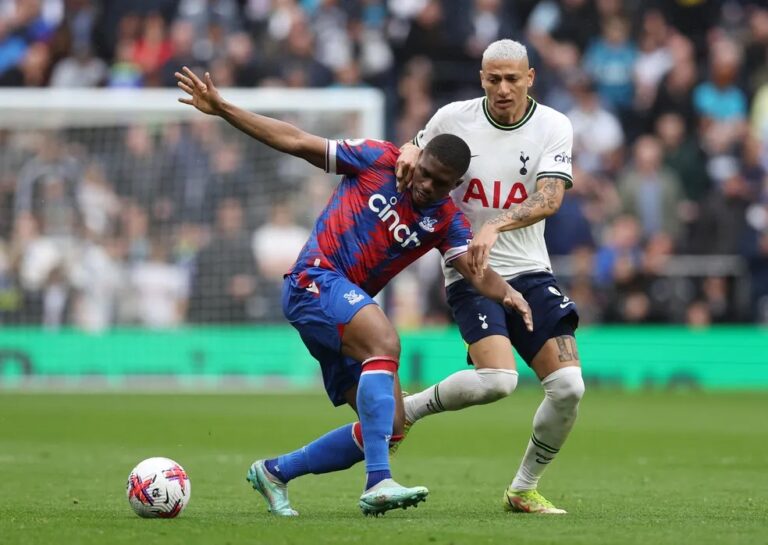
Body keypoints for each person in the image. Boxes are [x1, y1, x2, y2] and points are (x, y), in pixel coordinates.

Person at [175, 66, 533, 516]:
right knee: (385, 342)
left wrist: (508, 294)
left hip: (340, 312)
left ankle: (273, 472)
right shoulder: (377, 159)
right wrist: (224, 108)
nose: (426, 186)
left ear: (454, 187)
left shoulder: (445, 220)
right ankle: (378, 482)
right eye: (425, 173)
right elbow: (297, 141)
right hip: (314, 280)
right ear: (417, 158)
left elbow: (474, 271)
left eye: (440, 184)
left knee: (390, 426)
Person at [395, 39, 585, 515]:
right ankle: (409, 410)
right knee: (499, 381)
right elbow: (413, 149)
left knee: (569, 389)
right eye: (493, 79)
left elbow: (550, 198)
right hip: (471, 269)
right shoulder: (452, 118)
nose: (503, 89)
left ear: (530, 78)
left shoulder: (553, 125)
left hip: (531, 269)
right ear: (482, 79)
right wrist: (404, 151)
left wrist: (496, 224)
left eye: (512, 79)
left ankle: (522, 488)